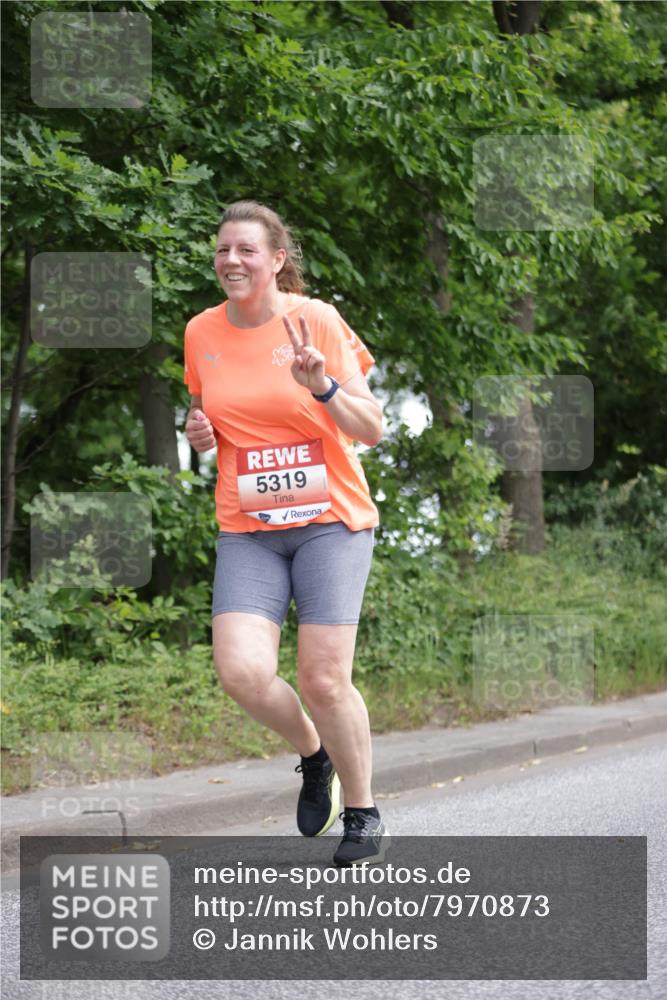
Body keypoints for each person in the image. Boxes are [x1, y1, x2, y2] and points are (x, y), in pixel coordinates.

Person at [183, 199, 388, 866]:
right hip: (249, 526)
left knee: (325, 678)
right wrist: (200, 433)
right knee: (241, 672)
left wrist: (323, 386)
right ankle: (313, 753)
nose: (231, 261)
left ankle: (363, 813)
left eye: (246, 250)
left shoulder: (315, 320)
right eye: (222, 250)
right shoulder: (200, 332)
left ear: (276, 260)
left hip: (329, 520)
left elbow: (371, 427)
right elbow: (209, 410)